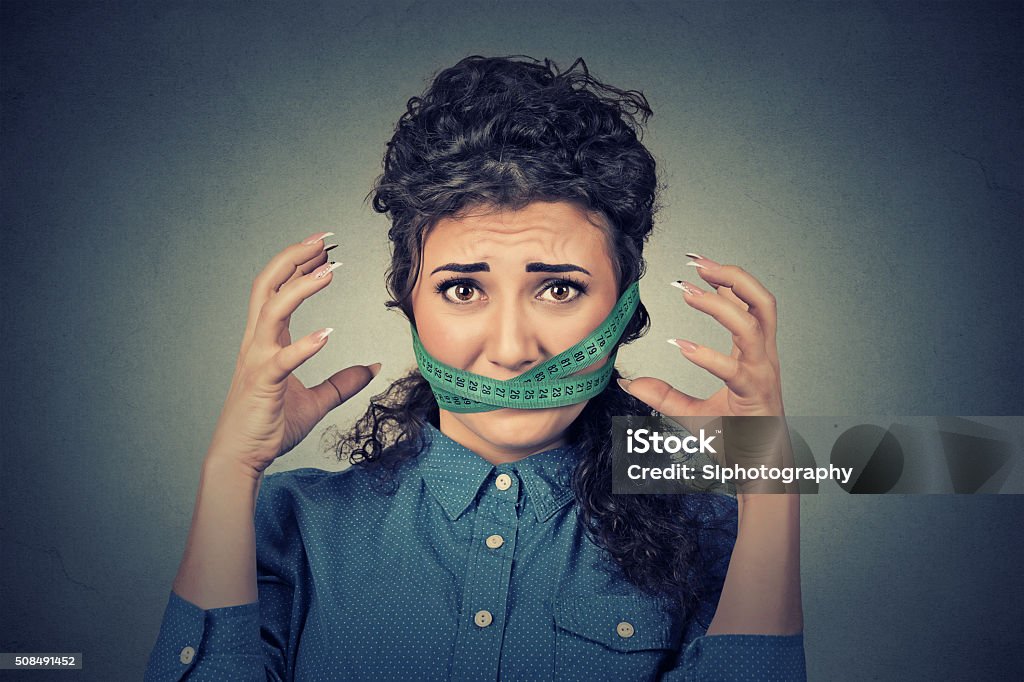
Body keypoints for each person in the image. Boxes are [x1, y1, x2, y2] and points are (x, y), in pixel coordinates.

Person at [144, 55, 805, 681]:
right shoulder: (291, 527)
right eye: (463, 288)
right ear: (410, 305)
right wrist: (230, 468)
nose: (513, 350)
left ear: (625, 307)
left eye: (560, 289)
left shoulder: (714, 533)